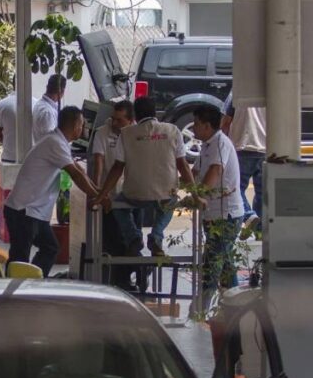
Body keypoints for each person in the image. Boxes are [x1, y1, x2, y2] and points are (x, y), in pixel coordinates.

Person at [4, 106, 101, 277]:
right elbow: (76, 174)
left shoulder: (58, 141)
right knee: (20, 258)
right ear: (75, 126)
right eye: (82, 125)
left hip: (33, 211)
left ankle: (33, 282)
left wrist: (98, 191)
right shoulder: (54, 143)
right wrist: (98, 197)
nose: (83, 129)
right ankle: (18, 288)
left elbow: (79, 170)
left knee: (50, 248)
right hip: (24, 210)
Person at [96, 97, 194, 258]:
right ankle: (156, 235)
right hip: (165, 195)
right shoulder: (173, 131)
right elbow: (183, 165)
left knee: (117, 205)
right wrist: (195, 194)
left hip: (135, 195)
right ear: (155, 113)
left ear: (135, 115)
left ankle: (133, 237)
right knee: (171, 202)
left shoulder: (126, 134)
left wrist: (101, 195)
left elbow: (117, 168)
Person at [192, 105, 243, 306]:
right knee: (225, 264)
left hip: (226, 216)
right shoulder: (207, 145)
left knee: (212, 264)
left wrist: (200, 194)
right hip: (212, 214)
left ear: (207, 126)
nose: (193, 128)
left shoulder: (220, 143)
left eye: (196, 124)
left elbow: (215, 170)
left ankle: (201, 309)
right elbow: (195, 172)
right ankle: (235, 304)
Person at [91, 100, 135, 288]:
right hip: (110, 196)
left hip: (132, 196)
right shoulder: (102, 132)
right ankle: (113, 281)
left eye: (120, 120)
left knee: (131, 241)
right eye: (113, 119)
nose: (115, 123)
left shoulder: (136, 134)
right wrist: (99, 191)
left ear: (131, 120)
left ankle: (127, 278)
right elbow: (99, 161)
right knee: (112, 241)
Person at [221, 91, 267, 237]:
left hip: (242, 147)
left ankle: (249, 216)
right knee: (262, 193)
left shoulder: (238, 91)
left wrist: (223, 145)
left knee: (235, 187)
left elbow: (226, 121)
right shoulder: (272, 90)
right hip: (266, 148)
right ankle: (259, 231)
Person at [0, 90, 36, 164]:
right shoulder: (36, 103)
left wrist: (8, 144)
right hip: (32, 158)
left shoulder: (1, 104)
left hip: (8, 157)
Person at [31, 74, 66, 142]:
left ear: (47, 87)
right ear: (62, 91)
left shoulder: (39, 104)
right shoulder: (48, 113)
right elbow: (52, 142)